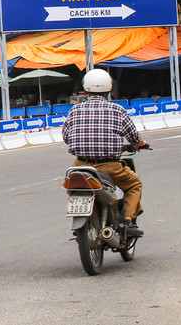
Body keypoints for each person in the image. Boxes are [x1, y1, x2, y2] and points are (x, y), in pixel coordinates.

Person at [61, 68, 146, 237]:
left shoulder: (74, 110)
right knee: (134, 184)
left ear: (86, 89)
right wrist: (140, 144)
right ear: (109, 88)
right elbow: (134, 137)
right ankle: (128, 220)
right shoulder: (117, 110)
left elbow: (66, 136)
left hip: (80, 166)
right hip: (109, 166)